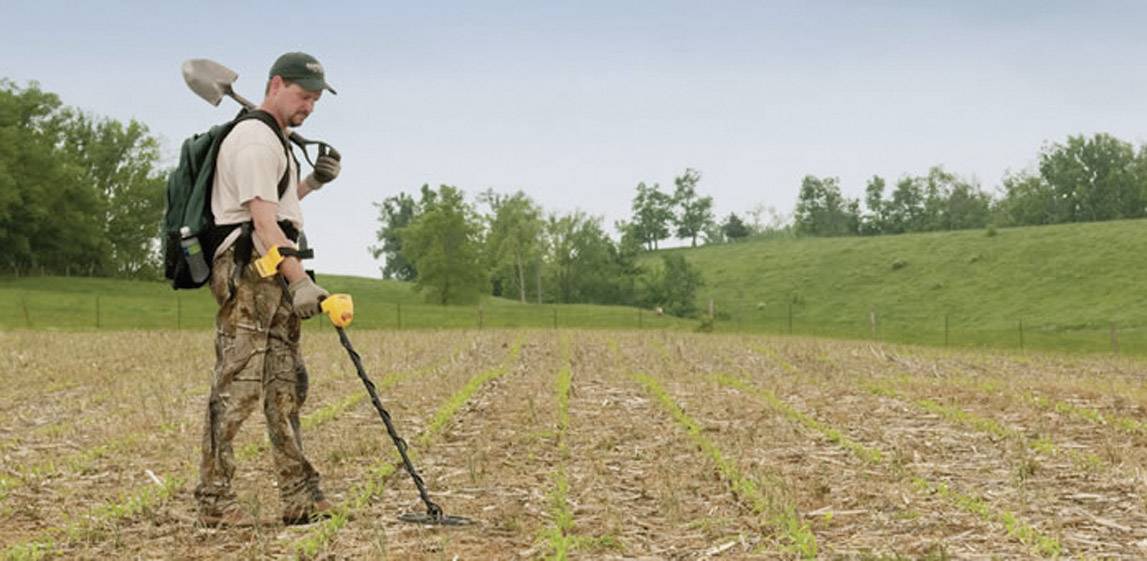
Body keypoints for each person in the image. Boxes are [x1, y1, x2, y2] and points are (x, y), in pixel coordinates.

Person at [194, 51, 342, 527]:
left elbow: (276, 206)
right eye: (303, 96)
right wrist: (300, 281)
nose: (310, 107)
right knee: (239, 387)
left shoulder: (270, 139)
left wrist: (312, 184)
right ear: (276, 84)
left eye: (316, 99)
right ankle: (214, 501)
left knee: (285, 384)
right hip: (251, 273)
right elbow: (260, 223)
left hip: (272, 269)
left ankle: (299, 496)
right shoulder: (255, 140)